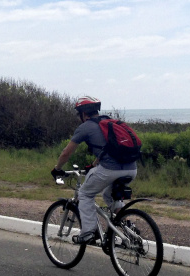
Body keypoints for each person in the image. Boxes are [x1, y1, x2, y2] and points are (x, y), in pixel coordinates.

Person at [51, 96, 138, 245]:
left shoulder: (86, 127)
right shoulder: (109, 122)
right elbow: (107, 149)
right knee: (109, 195)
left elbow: (66, 152)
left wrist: (57, 169)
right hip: (132, 169)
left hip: (110, 170)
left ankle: (89, 233)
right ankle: (129, 230)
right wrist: (93, 165)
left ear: (83, 114)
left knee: (84, 194)